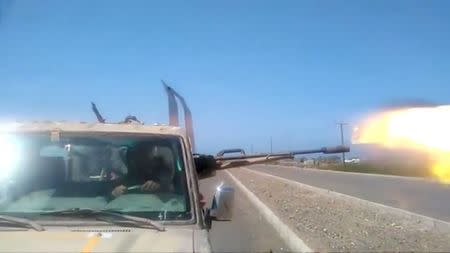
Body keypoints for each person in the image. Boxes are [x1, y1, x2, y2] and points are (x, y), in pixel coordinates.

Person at [110, 145, 175, 198]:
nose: (141, 156)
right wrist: (114, 193)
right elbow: (108, 194)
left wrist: (159, 186)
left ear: (153, 152)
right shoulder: (132, 172)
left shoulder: (163, 168)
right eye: (138, 153)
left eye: (145, 152)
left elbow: (174, 187)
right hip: (131, 209)